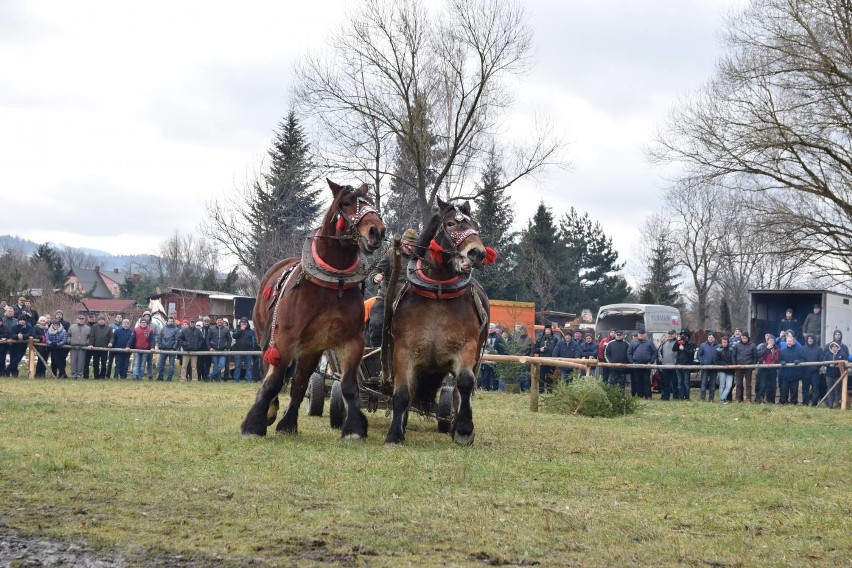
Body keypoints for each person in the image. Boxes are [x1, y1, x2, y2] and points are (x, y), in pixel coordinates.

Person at [368, 229, 417, 347]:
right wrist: (375, 277)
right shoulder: (390, 253)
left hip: (409, 300)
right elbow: (375, 270)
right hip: (385, 298)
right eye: (407, 243)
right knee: (376, 323)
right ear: (401, 242)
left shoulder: (418, 259)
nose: (409, 247)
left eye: (412, 244)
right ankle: (376, 351)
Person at [627, 328, 655, 399]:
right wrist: (632, 362)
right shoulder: (633, 343)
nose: (641, 336)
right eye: (640, 334)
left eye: (642, 334)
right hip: (636, 364)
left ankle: (648, 395)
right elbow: (629, 353)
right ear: (638, 335)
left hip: (646, 364)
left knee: (646, 380)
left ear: (645, 335)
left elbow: (654, 353)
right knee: (637, 380)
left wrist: (651, 361)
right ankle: (640, 395)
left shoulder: (649, 343)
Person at [778, 334, 804, 404]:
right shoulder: (783, 351)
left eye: (790, 341)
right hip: (785, 374)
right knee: (784, 389)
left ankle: (794, 402)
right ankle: (784, 401)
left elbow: (803, 359)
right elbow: (779, 360)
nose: (789, 342)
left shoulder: (799, 350)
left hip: (794, 374)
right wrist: (781, 362)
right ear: (786, 342)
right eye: (788, 341)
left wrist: (798, 361)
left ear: (793, 342)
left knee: (794, 390)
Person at [479, 323, 506, 391]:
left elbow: (502, 348)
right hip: (485, 359)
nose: (490, 329)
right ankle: (486, 389)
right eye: (489, 328)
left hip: (495, 359)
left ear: (494, 329)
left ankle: (495, 388)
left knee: (495, 375)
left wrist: (501, 358)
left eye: (491, 328)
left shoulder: (499, 337)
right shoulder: (484, 336)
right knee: (486, 375)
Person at [733, 332, 757, 402]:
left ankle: (748, 399)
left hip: (748, 367)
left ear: (748, 338)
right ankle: (738, 398)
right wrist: (735, 365)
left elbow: (755, 357)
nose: (744, 339)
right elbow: (733, 355)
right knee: (739, 383)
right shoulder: (737, 345)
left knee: (748, 384)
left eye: (745, 338)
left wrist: (753, 366)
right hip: (739, 367)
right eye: (742, 338)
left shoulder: (752, 346)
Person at [534, 325, 559, 392]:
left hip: (551, 361)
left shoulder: (555, 339)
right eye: (546, 329)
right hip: (542, 360)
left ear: (551, 331)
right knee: (541, 376)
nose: (547, 331)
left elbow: (557, 350)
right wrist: (540, 349)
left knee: (550, 376)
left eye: (549, 330)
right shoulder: (540, 339)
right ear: (544, 330)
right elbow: (534, 349)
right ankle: (541, 390)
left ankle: (549, 391)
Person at [207, 316, 232, 382]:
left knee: (221, 364)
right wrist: (210, 348)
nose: (219, 321)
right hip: (214, 349)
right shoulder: (212, 329)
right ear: (216, 321)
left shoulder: (226, 330)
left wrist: (227, 348)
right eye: (218, 320)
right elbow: (208, 339)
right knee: (215, 365)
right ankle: (217, 380)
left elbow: (229, 339)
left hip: (223, 350)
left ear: (222, 321)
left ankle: (210, 376)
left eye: (221, 320)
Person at [755, 336, 779, 403]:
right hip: (763, 368)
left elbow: (778, 358)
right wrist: (767, 349)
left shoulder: (776, 348)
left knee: (772, 385)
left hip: (773, 369)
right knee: (762, 385)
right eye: (770, 340)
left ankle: (770, 400)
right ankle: (760, 400)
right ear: (767, 341)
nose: (771, 342)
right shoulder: (762, 347)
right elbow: (759, 355)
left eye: (772, 341)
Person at [232, 317, 257, 382]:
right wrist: (241, 330)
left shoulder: (251, 331)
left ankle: (249, 380)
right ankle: (236, 380)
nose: (243, 323)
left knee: (248, 367)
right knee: (237, 366)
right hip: (238, 351)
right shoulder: (237, 329)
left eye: (245, 322)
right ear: (240, 323)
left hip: (248, 351)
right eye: (242, 322)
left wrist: (252, 350)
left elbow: (254, 341)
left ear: (247, 323)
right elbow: (234, 336)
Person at [156, 315, 181, 381]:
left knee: (171, 365)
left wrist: (174, 348)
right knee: (161, 364)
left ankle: (169, 378)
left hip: (171, 349)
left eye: (171, 321)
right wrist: (160, 346)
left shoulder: (176, 330)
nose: (170, 322)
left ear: (173, 322)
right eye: (169, 321)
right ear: (167, 321)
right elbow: (160, 337)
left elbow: (177, 339)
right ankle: (160, 377)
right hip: (163, 348)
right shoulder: (163, 328)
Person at [67, 314, 92, 379]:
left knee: (81, 362)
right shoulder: (72, 327)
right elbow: (68, 335)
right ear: (77, 320)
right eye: (80, 319)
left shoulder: (88, 328)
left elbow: (89, 337)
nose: (81, 320)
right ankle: (73, 375)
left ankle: (80, 375)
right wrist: (69, 341)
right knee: (73, 362)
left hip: (83, 347)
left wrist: (87, 343)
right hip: (73, 347)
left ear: (84, 320)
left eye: (82, 319)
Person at [673, 331, 696, 401]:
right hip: (679, 364)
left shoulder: (691, 344)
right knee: (680, 382)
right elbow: (673, 349)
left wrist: (684, 349)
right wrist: (677, 341)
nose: (683, 337)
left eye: (684, 336)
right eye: (682, 335)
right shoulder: (679, 342)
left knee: (686, 382)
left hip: (687, 365)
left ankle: (687, 397)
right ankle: (681, 397)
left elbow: (692, 353)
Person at [800, 334, 823, 406]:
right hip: (805, 372)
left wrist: (817, 367)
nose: (810, 340)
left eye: (811, 338)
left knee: (815, 389)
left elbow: (821, 360)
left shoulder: (819, 349)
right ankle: (805, 403)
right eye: (808, 338)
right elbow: (801, 358)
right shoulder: (803, 348)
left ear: (814, 339)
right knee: (805, 388)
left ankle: (814, 403)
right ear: (806, 340)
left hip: (815, 372)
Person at [696, 332, 719, 402]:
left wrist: (717, 363)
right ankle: (702, 398)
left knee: (712, 384)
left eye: (712, 337)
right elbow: (699, 355)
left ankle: (711, 398)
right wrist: (702, 362)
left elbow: (720, 355)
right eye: (709, 337)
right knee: (703, 383)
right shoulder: (703, 345)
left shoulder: (718, 346)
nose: (710, 339)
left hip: (714, 368)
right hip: (705, 367)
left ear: (715, 338)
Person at [89, 314, 114, 379]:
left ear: (105, 321)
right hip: (95, 348)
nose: (101, 321)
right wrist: (91, 344)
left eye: (102, 320)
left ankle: (102, 376)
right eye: (100, 320)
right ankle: (96, 376)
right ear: (98, 320)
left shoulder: (109, 328)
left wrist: (110, 343)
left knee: (104, 363)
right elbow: (92, 336)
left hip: (104, 348)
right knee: (95, 363)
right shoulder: (94, 327)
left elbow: (112, 337)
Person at [657, 329, 679, 401]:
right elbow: (659, 352)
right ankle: (665, 397)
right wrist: (661, 360)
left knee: (675, 383)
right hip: (665, 366)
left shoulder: (678, 343)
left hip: (674, 367)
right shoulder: (664, 343)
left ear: (675, 334)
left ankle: (676, 397)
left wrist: (676, 361)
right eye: (669, 333)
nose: (670, 335)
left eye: (672, 334)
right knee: (665, 383)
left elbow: (680, 354)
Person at [512, 324, 533, 392]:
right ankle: (518, 389)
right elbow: (514, 348)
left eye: (523, 330)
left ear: (525, 331)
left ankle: (525, 389)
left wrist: (529, 358)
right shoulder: (517, 338)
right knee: (518, 375)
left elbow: (532, 350)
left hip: (525, 359)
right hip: (517, 359)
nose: (522, 331)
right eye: (521, 330)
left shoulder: (529, 338)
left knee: (525, 375)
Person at [824, 341, 845, 408]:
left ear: (838, 347)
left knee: (837, 391)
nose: (834, 347)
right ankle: (830, 404)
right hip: (829, 375)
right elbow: (824, 362)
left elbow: (845, 362)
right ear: (831, 347)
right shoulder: (827, 354)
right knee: (830, 390)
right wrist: (830, 364)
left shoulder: (842, 354)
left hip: (838, 375)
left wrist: (838, 365)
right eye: (833, 346)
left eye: (836, 346)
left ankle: (836, 405)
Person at [716, 336, 735, 403]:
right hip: (722, 370)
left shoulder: (731, 350)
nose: (724, 343)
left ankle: (722, 398)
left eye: (725, 342)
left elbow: (733, 359)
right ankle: (722, 400)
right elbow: (717, 360)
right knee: (722, 385)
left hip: (730, 370)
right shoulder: (718, 350)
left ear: (728, 342)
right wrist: (724, 364)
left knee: (729, 386)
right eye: (723, 342)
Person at [0, 306, 16, 376]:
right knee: (2, 358)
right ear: (6, 312)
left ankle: (13, 371)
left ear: (13, 313)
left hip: (14, 342)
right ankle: (2, 371)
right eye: (9, 311)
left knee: (13, 358)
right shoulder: (2, 320)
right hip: (3, 343)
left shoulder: (16, 320)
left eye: (11, 311)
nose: (10, 313)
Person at [106, 313, 123, 378]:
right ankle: (107, 375)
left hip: (119, 346)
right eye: (118, 317)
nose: (119, 318)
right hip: (112, 346)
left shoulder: (123, 326)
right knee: (110, 361)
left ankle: (116, 375)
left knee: (118, 362)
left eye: (120, 317)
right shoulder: (111, 326)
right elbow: (109, 335)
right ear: (115, 318)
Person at [82, 312, 98, 378]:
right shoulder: (84, 326)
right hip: (86, 347)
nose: (91, 318)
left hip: (96, 346)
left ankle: (96, 376)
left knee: (96, 362)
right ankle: (85, 376)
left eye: (92, 317)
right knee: (86, 362)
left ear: (95, 318)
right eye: (90, 317)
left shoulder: (98, 326)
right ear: (87, 318)